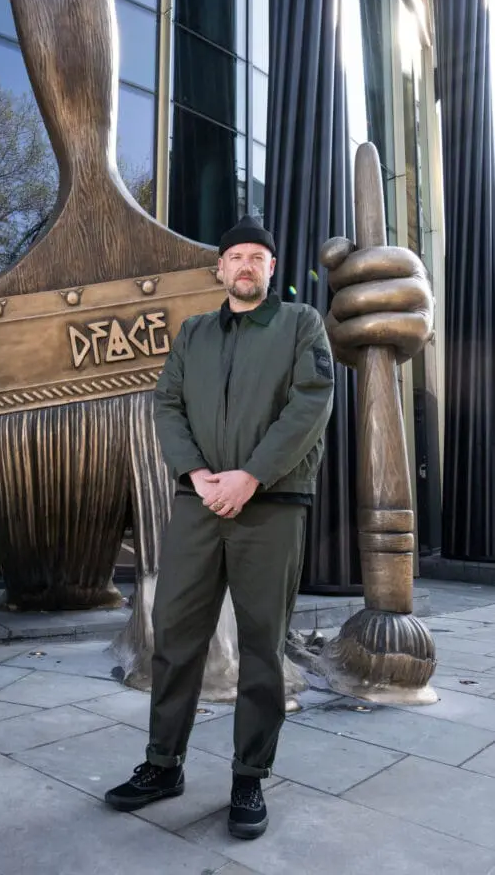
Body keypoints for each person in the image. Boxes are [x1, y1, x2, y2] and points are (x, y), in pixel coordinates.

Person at [105, 214, 335, 839]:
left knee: (262, 645)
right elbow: (167, 405)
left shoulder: (299, 325)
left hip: (273, 506)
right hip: (198, 504)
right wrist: (200, 474)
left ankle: (249, 778)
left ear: (271, 269)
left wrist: (250, 476)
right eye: (235, 256)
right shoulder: (194, 334)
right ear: (220, 269)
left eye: (257, 257)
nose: (245, 266)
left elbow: (310, 405)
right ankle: (162, 766)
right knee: (175, 636)